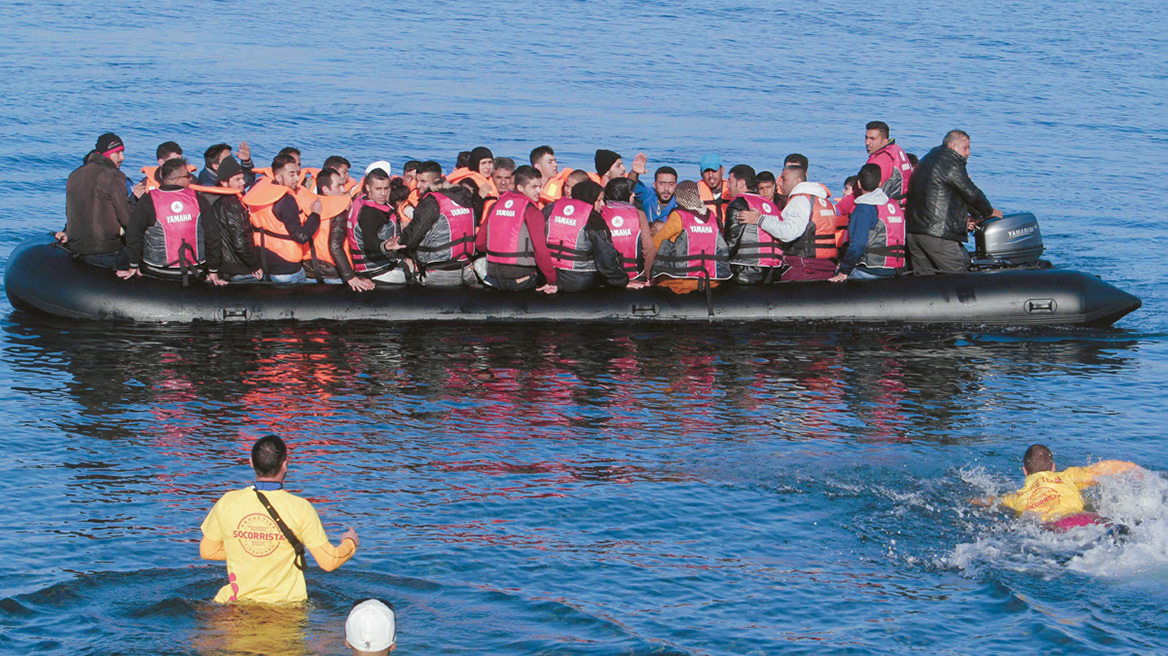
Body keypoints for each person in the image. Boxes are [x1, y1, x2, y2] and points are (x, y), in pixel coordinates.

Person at [199, 434, 359, 604]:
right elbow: (329, 561)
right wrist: (350, 542)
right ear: (285, 465)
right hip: (285, 609)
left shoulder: (227, 502)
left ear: (251, 463)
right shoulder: (300, 507)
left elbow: (208, 551)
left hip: (233, 605)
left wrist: (250, 547)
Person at [905, 130, 1003, 275]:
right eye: (965, 147)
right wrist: (989, 212)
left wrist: (974, 216)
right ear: (952, 146)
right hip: (937, 236)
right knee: (959, 280)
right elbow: (971, 193)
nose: (968, 152)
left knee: (924, 284)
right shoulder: (950, 163)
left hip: (914, 233)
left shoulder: (928, 159)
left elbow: (951, 195)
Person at [976, 444, 1139, 527]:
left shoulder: (1017, 497)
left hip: (1050, 528)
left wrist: (972, 501)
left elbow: (990, 501)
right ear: (1053, 467)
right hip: (1084, 519)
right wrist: (1136, 470)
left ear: (1025, 471)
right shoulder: (1068, 476)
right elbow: (1106, 468)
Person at [119, 157, 220, 283]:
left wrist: (133, 265)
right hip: (193, 271)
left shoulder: (147, 199)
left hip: (155, 270)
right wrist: (213, 270)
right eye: (187, 175)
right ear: (177, 180)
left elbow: (134, 233)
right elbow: (213, 236)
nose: (190, 178)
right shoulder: (199, 200)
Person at [544, 180, 640, 292]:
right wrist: (622, 281)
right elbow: (605, 257)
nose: (603, 204)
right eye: (599, 200)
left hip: (550, 274)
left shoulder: (551, 209)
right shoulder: (594, 220)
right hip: (580, 279)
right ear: (589, 199)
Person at [242, 154, 321, 283]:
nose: (297, 178)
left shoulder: (258, 188)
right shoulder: (286, 201)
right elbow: (301, 236)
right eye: (291, 174)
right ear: (278, 177)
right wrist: (315, 214)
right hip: (287, 270)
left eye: (297, 173)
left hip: (264, 262)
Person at [477, 165, 557, 292]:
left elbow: (480, 244)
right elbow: (540, 250)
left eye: (540, 186)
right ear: (520, 187)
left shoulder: (495, 206)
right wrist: (552, 279)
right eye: (533, 187)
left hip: (493, 275)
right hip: (520, 278)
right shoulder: (531, 211)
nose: (539, 191)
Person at [61, 132, 133, 269]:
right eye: (118, 153)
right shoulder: (115, 176)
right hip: (106, 251)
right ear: (107, 154)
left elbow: (71, 213)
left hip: (77, 248)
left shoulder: (73, 175)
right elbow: (127, 219)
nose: (122, 158)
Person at [401, 161, 478, 286]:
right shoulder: (463, 196)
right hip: (466, 268)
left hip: (440, 272)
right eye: (417, 180)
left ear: (437, 180)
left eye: (423, 181)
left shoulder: (430, 202)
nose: (418, 185)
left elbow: (410, 240)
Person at [330, 167, 407, 291]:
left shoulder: (360, 201)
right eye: (378, 189)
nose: (383, 193)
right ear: (368, 188)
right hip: (376, 270)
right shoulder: (370, 213)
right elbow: (370, 241)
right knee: (407, 275)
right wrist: (385, 246)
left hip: (369, 268)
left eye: (386, 188)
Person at [829, 163, 907, 282]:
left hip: (870, 270)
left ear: (859, 184)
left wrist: (844, 271)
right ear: (880, 183)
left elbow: (858, 245)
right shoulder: (894, 205)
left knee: (832, 276)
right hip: (896, 268)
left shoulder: (863, 209)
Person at [650, 180, 731, 293]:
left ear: (678, 196)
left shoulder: (678, 216)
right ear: (697, 195)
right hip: (711, 280)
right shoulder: (712, 216)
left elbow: (656, 243)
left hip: (681, 280)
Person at [200, 156, 263, 283]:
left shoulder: (217, 199)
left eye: (242, 178)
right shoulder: (233, 204)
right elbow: (240, 242)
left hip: (225, 265)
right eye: (237, 179)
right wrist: (255, 265)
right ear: (224, 182)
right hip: (238, 267)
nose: (243, 182)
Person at [724, 164, 786, 284]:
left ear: (741, 183)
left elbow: (731, 242)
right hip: (773, 271)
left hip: (745, 270)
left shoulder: (739, 204)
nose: (727, 186)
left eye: (730, 181)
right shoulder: (771, 205)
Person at [601, 177, 657, 281]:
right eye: (631, 192)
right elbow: (649, 249)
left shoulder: (600, 213)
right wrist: (649, 277)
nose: (634, 195)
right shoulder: (639, 215)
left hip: (606, 275)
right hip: (634, 274)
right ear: (622, 193)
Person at [304, 168, 352, 283]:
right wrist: (351, 277)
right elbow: (335, 246)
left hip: (308, 270)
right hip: (332, 274)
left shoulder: (306, 207)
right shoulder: (339, 213)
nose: (343, 189)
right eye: (338, 186)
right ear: (325, 189)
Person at [864, 121, 914, 203]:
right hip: (904, 206)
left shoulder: (879, 161)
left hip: (886, 208)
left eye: (872, 139)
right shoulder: (895, 149)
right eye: (866, 138)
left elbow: (868, 191)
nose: (867, 142)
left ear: (884, 141)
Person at [697, 154, 732, 223]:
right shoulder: (695, 192)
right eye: (706, 171)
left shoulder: (732, 190)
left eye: (714, 170)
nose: (710, 175)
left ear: (722, 170)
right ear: (701, 173)